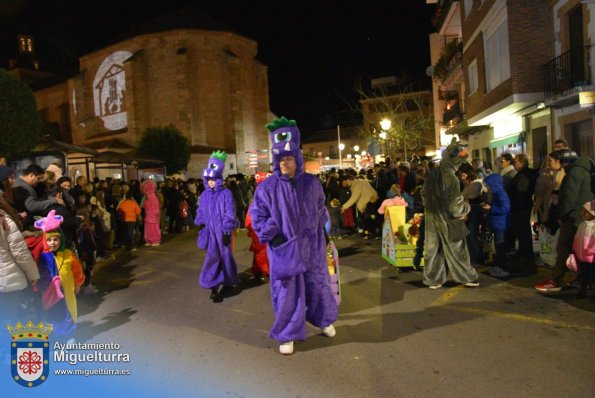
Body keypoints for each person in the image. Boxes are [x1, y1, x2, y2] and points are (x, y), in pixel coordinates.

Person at [250, 117, 338, 355]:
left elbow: (321, 210)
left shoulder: (312, 183)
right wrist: (275, 238)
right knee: (287, 293)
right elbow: (257, 216)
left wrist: (324, 233)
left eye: (288, 158)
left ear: (297, 158)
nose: (284, 164)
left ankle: (324, 320)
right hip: (284, 250)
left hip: (313, 248)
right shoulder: (266, 188)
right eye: (280, 159)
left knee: (318, 287)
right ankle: (287, 334)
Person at [421, 138, 479, 289]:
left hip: (432, 216)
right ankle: (467, 277)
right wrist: (466, 208)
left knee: (433, 249)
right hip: (448, 219)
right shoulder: (451, 177)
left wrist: (431, 207)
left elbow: (423, 193)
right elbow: (455, 205)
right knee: (457, 248)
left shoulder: (433, 173)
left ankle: (433, 279)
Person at [535, 150, 594, 292]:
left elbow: (569, 198)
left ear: (560, 160)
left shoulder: (574, 173)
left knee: (563, 247)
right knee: (579, 250)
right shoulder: (584, 168)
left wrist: (561, 215)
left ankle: (556, 280)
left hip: (574, 217)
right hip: (583, 216)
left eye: (551, 160)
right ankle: (581, 279)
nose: (549, 163)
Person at [194, 151, 240, 302]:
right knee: (212, 258)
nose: (211, 182)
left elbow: (229, 213)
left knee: (226, 257)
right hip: (210, 233)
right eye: (209, 179)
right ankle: (213, 286)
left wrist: (227, 230)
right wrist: (200, 223)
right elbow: (200, 210)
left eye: (213, 179)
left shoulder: (226, 194)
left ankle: (229, 281)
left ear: (219, 179)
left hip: (222, 232)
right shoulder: (204, 195)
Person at [34, 210, 85, 340]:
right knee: (57, 316)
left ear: (60, 239)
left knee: (69, 312)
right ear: (45, 241)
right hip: (53, 292)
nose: (52, 243)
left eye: (55, 239)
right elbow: (40, 274)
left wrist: (78, 283)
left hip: (67, 290)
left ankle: (70, 336)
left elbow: (77, 271)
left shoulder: (68, 254)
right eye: (49, 240)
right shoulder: (44, 257)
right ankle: (61, 336)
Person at [482, 173, 511, 278]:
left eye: (488, 185)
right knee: (498, 247)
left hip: (500, 224)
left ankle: (502, 268)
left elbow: (505, 209)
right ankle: (499, 267)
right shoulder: (497, 193)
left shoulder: (501, 194)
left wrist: (491, 209)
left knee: (500, 247)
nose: (487, 187)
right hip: (497, 223)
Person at [566, 200, 595, 297]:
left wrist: (590, 250)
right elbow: (577, 238)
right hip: (582, 256)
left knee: (591, 273)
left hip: (591, 257)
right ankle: (583, 288)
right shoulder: (582, 225)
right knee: (583, 273)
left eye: (587, 211)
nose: (584, 213)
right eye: (583, 211)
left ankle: (589, 288)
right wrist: (575, 249)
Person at [141, 179, 161, 246]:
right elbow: (143, 205)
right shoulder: (150, 196)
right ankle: (150, 240)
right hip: (149, 215)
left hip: (151, 215)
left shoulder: (151, 196)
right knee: (149, 228)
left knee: (152, 228)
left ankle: (155, 240)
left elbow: (143, 206)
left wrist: (154, 214)